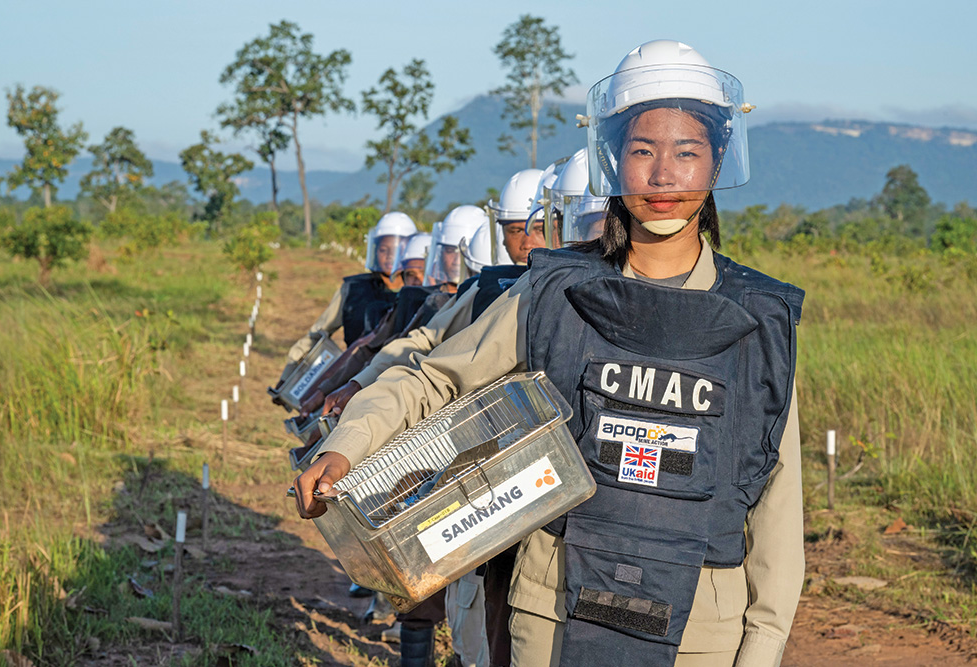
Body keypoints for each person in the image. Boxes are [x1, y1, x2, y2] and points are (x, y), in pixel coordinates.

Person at [295, 39, 804, 667]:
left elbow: (779, 498)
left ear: (718, 157)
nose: (664, 176)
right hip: (554, 613)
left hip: (702, 628)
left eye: (687, 152)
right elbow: (434, 379)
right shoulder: (553, 292)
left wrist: (763, 645)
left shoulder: (760, 317)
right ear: (612, 158)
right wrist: (347, 444)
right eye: (643, 151)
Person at [280, 212, 417, 380]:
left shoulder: (425, 293)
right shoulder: (353, 289)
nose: (390, 256)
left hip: (403, 380)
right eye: (383, 249)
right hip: (354, 378)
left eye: (397, 250)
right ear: (374, 250)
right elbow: (318, 333)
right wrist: (289, 374)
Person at [488, 169, 545, 265]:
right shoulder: (491, 279)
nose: (527, 245)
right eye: (517, 231)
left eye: (539, 230)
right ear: (504, 237)